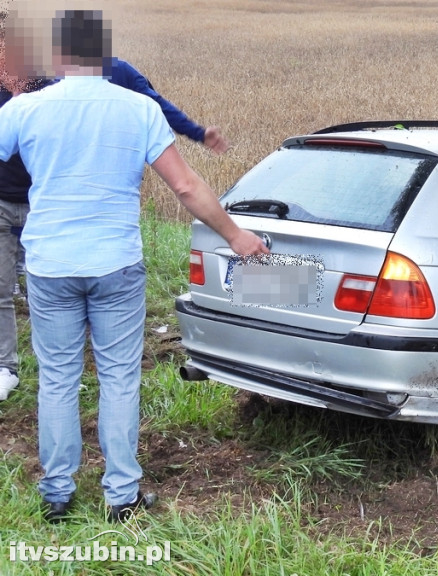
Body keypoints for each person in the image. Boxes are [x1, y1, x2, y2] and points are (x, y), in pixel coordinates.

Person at [0, 8, 269, 523]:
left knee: (57, 378)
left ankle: (57, 493)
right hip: (116, 265)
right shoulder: (138, 108)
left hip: (51, 265)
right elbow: (186, 186)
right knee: (119, 377)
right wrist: (235, 236)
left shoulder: (25, 109)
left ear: (56, 55)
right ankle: (121, 495)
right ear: (100, 52)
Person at [0, 27, 229, 402]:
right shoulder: (28, 89)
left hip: (60, 222)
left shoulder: (97, 76)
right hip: (31, 213)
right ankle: (13, 366)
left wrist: (196, 132)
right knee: (14, 290)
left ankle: (76, 362)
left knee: (64, 298)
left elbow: (156, 104)